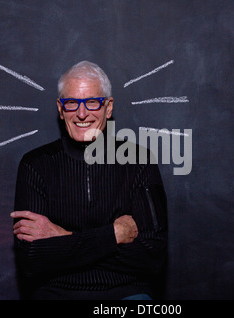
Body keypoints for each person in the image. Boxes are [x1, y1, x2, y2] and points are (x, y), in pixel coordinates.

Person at [11, 61, 168, 300]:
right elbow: (32, 261)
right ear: (61, 109)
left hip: (125, 296)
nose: (82, 113)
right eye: (72, 102)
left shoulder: (139, 161)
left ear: (108, 107)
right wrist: (114, 235)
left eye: (92, 102)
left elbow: (152, 257)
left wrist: (62, 239)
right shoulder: (35, 165)